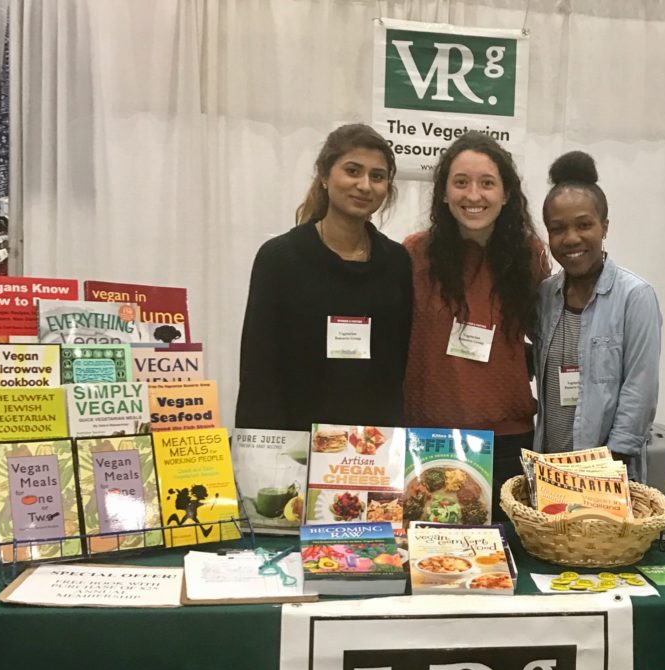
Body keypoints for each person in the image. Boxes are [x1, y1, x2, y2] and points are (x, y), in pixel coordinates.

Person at [403, 132, 549, 512]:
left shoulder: (529, 257)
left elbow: (548, 335)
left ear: (506, 194)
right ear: (444, 193)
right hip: (429, 438)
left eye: (487, 183)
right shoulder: (414, 256)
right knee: (428, 559)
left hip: (506, 440)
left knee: (500, 561)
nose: (473, 195)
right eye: (461, 182)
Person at [235, 124, 412, 430]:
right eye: (353, 171)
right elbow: (258, 368)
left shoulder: (396, 262)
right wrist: (260, 458)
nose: (365, 185)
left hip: (373, 449)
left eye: (377, 176)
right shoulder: (280, 258)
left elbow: (401, 365)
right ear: (325, 176)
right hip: (294, 446)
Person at [533, 151, 661, 482]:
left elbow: (640, 391)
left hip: (608, 476)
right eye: (558, 228)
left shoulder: (635, 297)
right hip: (550, 472)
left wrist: (601, 474)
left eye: (584, 225)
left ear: (604, 227)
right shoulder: (546, 295)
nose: (571, 238)